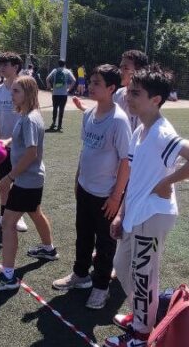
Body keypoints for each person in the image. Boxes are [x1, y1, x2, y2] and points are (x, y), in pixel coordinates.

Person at [103, 65, 189, 347]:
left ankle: (141, 334)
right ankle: (143, 316)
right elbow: (134, 177)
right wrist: (121, 213)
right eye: (129, 92)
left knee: (143, 276)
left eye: (136, 93)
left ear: (156, 100)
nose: (128, 98)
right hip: (135, 213)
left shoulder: (162, 132)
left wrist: (166, 182)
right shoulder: (140, 130)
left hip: (153, 215)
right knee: (122, 266)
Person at [52, 65, 131, 308]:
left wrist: (116, 197)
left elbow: (126, 161)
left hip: (106, 195)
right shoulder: (88, 114)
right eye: (91, 81)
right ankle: (80, 275)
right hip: (85, 188)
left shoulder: (119, 121)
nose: (91, 86)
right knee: (83, 235)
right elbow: (85, 150)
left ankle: (101, 287)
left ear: (111, 88)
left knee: (105, 243)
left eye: (97, 83)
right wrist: (78, 178)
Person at [0, 76, 58, 293]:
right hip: (32, 180)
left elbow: (31, 153)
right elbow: (22, 140)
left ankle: (8, 276)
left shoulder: (30, 119)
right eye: (12, 91)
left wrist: (9, 178)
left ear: (28, 94)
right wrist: (6, 141)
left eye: (16, 91)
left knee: (8, 224)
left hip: (26, 181)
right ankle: (48, 249)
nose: (11, 95)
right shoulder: (27, 115)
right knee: (35, 212)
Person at [0, 52, 28, 233]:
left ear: (15, 67)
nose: (0, 68)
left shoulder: (25, 89)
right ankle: (3, 215)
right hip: (2, 147)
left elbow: (28, 118)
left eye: (5, 65)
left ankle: (18, 216)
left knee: (19, 183)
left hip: (21, 146)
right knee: (3, 182)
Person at [113, 49, 148, 132]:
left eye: (125, 68)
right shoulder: (117, 94)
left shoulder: (146, 100)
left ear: (138, 71)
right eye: (120, 67)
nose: (120, 72)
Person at [46, 59, 76, 132]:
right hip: (63, 94)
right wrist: (69, 89)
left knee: (55, 108)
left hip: (55, 93)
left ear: (58, 64)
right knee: (61, 109)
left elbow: (47, 79)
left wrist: (49, 86)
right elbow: (74, 80)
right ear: (64, 64)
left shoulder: (55, 70)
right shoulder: (67, 71)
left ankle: (53, 123)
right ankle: (59, 126)